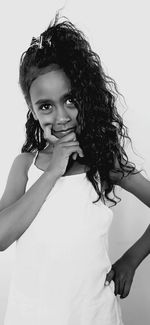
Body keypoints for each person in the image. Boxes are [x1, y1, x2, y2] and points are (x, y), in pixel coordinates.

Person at [0, 11, 150, 325]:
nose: (62, 116)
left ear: (84, 96)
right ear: (31, 108)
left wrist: (131, 260)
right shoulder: (25, 165)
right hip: (31, 316)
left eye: (70, 99)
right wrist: (52, 171)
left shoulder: (103, 163)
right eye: (46, 105)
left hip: (93, 315)